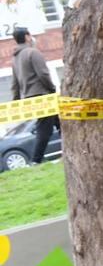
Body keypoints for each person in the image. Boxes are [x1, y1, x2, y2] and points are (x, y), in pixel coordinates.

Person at [9, 28, 59, 164]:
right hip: (43, 95)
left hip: (30, 97)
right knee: (45, 129)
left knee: (60, 122)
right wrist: (52, 88)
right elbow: (43, 74)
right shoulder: (33, 52)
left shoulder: (15, 59)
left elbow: (15, 84)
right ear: (26, 37)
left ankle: (69, 150)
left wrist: (16, 101)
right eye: (30, 34)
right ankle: (36, 160)